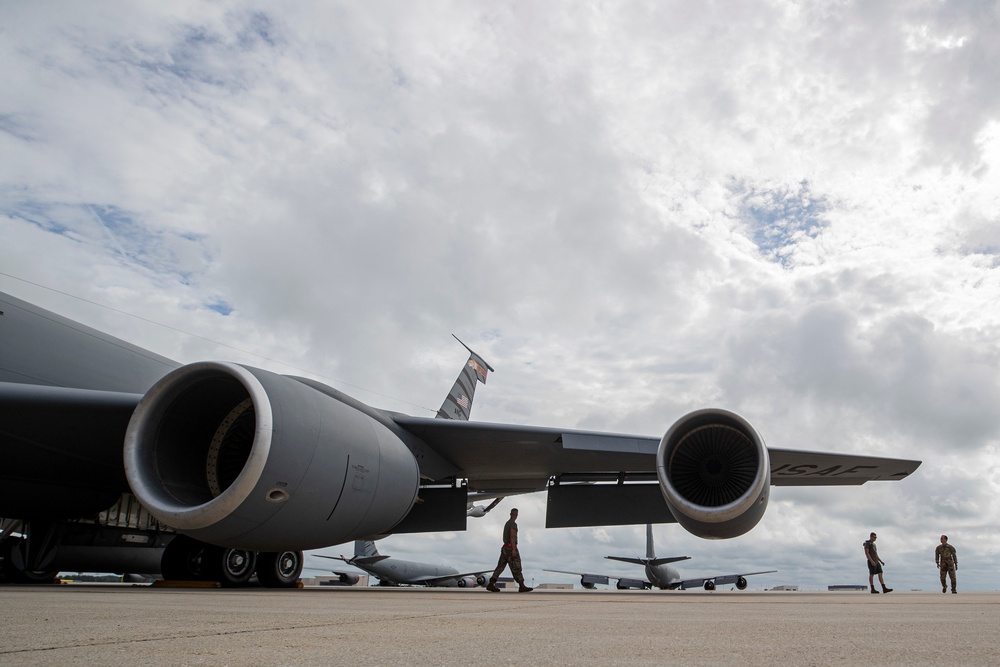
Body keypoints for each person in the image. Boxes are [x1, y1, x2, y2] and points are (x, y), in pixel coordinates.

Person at [487, 508, 532, 592]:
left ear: (510, 514)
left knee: (500, 566)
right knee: (517, 567)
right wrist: (514, 549)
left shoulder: (507, 523)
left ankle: (491, 583)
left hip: (505, 547)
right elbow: (512, 536)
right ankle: (521, 585)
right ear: (516, 515)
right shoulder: (513, 524)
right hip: (510, 547)